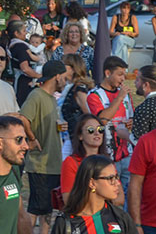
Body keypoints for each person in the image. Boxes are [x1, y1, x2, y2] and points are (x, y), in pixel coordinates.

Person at [21, 60, 69, 234]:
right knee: (36, 207)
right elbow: (23, 118)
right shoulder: (37, 95)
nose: (65, 81)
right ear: (57, 76)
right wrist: (32, 139)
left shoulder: (50, 98)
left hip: (53, 163)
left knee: (47, 206)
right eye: (64, 77)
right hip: (40, 164)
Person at [87, 56, 134, 193]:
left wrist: (131, 122)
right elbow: (102, 120)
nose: (123, 79)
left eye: (124, 75)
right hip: (107, 156)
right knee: (112, 197)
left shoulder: (126, 95)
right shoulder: (95, 95)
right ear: (108, 73)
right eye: (119, 74)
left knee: (127, 195)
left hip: (127, 153)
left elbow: (131, 115)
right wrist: (119, 97)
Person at [60, 115, 113, 205]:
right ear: (80, 136)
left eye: (100, 129)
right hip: (82, 216)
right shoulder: (71, 162)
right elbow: (68, 200)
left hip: (105, 216)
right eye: (91, 130)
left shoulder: (107, 161)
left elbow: (119, 198)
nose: (97, 133)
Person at [58, 53, 93, 159]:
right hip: (67, 137)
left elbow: (89, 114)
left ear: (73, 68)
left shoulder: (79, 89)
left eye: (64, 65)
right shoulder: (68, 87)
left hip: (76, 139)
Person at [6, 20, 40, 106]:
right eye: (24, 31)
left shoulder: (11, 44)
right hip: (24, 84)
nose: (26, 33)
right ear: (16, 33)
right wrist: (40, 76)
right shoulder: (21, 46)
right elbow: (25, 68)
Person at [131, 64, 156, 139]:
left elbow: (139, 142)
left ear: (146, 85)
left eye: (137, 80)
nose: (134, 83)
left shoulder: (144, 109)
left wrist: (124, 134)